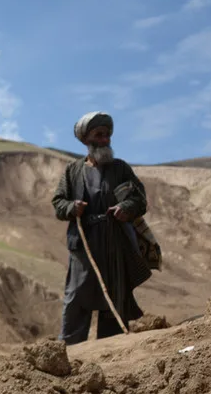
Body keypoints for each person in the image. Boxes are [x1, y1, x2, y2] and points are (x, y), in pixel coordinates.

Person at [51, 111, 152, 345]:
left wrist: (126, 207)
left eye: (107, 135)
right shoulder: (73, 171)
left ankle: (113, 348)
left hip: (114, 242)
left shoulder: (120, 169)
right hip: (83, 244)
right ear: (86, 139)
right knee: (76, 295)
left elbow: (139, 199)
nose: (105, 139)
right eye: (99, 135)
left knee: (114, 293)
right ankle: (69, 348)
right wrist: (71, 207)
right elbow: (58, 203)